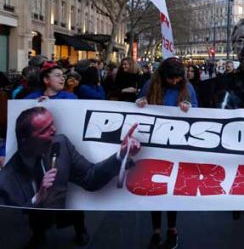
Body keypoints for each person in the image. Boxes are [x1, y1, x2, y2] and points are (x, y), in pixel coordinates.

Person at [0, 107, 141, 246]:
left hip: (64, 210)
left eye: (52, 124)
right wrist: (37, 198)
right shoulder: (7, 178)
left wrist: (121, 155)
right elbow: (13, 217)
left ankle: (80, 231)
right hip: (30, 226)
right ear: (25, 140)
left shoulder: (60, 144)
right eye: (44, 130)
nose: (54, 130)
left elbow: (90, 177)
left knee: (75, 218)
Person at [135, 57, 198, 249]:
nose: (174, 82)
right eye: (171, 79)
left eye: (178, 79)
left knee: (172, 187)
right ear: (163, 76)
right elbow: (138, 103)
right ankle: (156, 231)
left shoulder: (188, 88)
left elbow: (197, 108)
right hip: (155, 145)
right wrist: (140, 102)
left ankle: (172, 228)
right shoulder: (150, 84)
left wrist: (190, 108)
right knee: (154, 188)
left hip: (176, 145)